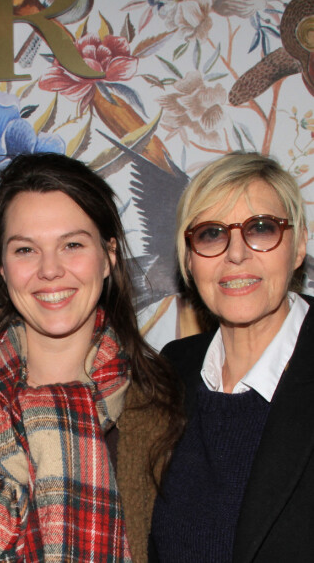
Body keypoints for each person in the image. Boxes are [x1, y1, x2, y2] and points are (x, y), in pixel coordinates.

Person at [0, 152, 184, 562]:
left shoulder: (162, 407)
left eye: (72, 244)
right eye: (25, 250)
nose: (50, 270)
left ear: (109, 255)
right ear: (1, 268)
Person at [150, 152, 313, 562]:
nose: (236, 254)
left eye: (261, 228)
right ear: (189, 260)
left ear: (298, 247)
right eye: (211, 234)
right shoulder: (173, 371)